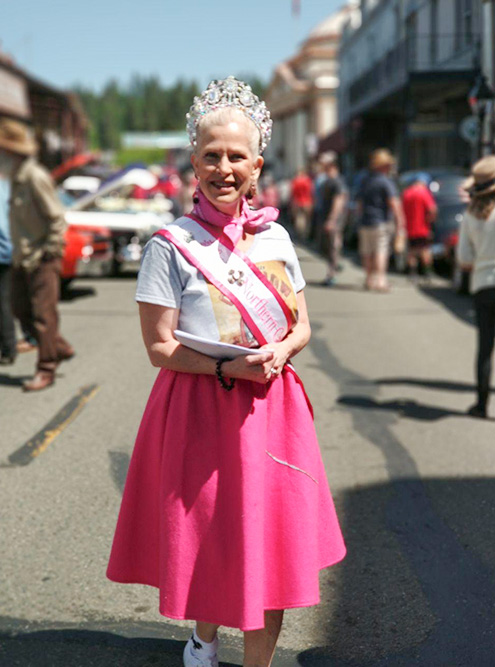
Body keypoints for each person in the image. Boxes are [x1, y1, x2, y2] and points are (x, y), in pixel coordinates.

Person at [107, 77, 346, 667]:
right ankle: (204, 639)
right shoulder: (170, 245)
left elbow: (302, 327)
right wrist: (230, 370)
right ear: (193, 163)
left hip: (273, 410)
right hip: (199, 408)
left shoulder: (279, 239)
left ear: (256, 164)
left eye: (235, 156)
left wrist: (283, 352)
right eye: (210, 156)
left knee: (270, 549)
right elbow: (159, 347)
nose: (223, 168)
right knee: (213, 539)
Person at [0, 119, 74, 391]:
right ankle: (59, 347)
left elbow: (56, 218)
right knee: (19, 308)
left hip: (42, 257)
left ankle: (46, 369)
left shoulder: (34, 177)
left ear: (12, 152)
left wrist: (50, 252)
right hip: (23, 257)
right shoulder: (16, 179)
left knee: (44, 316)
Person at [457, 155, 495, 419]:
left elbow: (465, 261)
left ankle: (481, 405)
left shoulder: (470, 216)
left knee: (485, 349)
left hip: (483, 286)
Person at [356, 148, 406, 291]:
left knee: (367, 252)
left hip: (365, 222)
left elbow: (359, 203)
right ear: (383, 166)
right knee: (380, 251)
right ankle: (380, 280)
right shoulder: (386, 182)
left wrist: (360, 218)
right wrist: (400, 223)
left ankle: (368, 279)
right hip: (380, 222)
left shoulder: (365, 180)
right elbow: (394, 203)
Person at [316, 152, 348, 286]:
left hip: (333, 219)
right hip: (328, 217)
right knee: (330, 246)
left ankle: (332, 274)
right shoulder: (328, 180)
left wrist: (332, 220)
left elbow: (339, 200)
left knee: (333, 246)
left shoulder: (336, 181)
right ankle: (335, 266)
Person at [401, 173, 437, 279]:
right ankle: (427, 272)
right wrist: (430, 220)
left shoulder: (406, 193)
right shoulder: (424, 193)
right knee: (425, 250)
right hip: (423, 228)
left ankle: (412, 273)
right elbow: (432, 209)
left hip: (409, 227)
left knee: (411, 250)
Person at [0, 174, 16, 365]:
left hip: (4, 251)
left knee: (3, 302)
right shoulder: (7, 184)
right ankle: (9, 347)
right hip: (8, 250)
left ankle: (9, 347)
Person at [290, 167, 313, 240]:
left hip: (297, 202)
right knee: (307, 219)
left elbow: (292, 193)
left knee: (299, 218)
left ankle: (300, 233)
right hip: (307, 201)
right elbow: (311, 191)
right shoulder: (307, 180)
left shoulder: (295, 181)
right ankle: (306, 234)